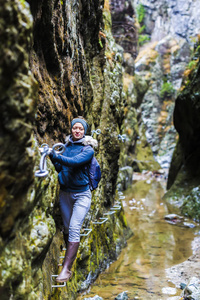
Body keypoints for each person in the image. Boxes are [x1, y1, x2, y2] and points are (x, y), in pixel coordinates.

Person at [49, 117, 98, 283]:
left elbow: (75, 163)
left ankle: (66, 269)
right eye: (75, 128)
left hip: (82, 195)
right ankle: (68, 256)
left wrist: (55, 155)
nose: (77, 131)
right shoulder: (65, 147)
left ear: (85, 131)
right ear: (71, 129)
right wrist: (52, 157)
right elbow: (60, 167)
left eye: (81, 129)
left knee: (75, 228)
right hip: (65, 194)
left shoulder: (88, 149)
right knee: (68, 228)